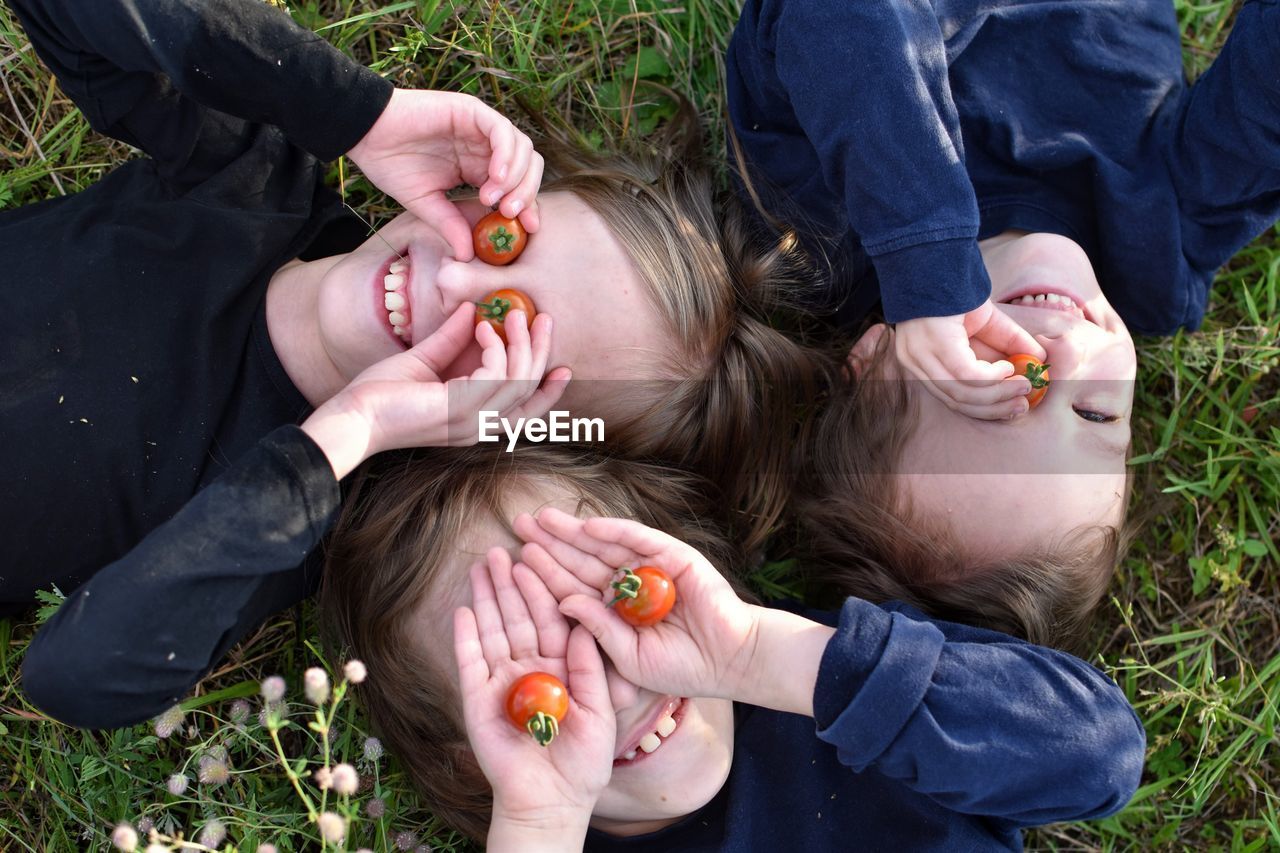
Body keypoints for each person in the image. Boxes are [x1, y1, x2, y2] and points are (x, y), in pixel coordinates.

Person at [6, 0, 821, 728]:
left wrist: (346, 433)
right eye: (508, 238)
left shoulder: (282, 508)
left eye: (508, 328)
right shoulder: (248, 178)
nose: (457, 279)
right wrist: (359, 113)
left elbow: (76, 676)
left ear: (505, 434)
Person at [724, 0, 1280, 646]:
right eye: (1096, 414)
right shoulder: (1159, 250)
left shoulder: (824, 233)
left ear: (875, 366)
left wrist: (923, 254)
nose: (1066, 351)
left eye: (1013, 380)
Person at [319, 444, 1146, 849]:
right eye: (532, 679)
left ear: (688, 558)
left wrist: (761, 655)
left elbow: (1096, 756)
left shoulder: (835, 675)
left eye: (615, 596)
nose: (615, 682)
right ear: (468, 760)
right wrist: (537, 819)